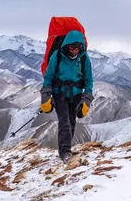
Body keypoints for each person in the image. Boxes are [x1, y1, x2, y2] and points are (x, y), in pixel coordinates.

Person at [40, 30, 94, 164]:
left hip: (76, 95)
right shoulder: (57, 56)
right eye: (71, 47)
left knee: (72, 122)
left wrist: (86, 98)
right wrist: (46, 95)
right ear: (66, 46)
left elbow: (89, 79)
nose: (74, 50)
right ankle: (65, 152)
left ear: (81, 47)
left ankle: (67, 149)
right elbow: (49, 76)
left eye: (77, 48)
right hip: (60, 94)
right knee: (64, 123)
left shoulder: (84, 58)